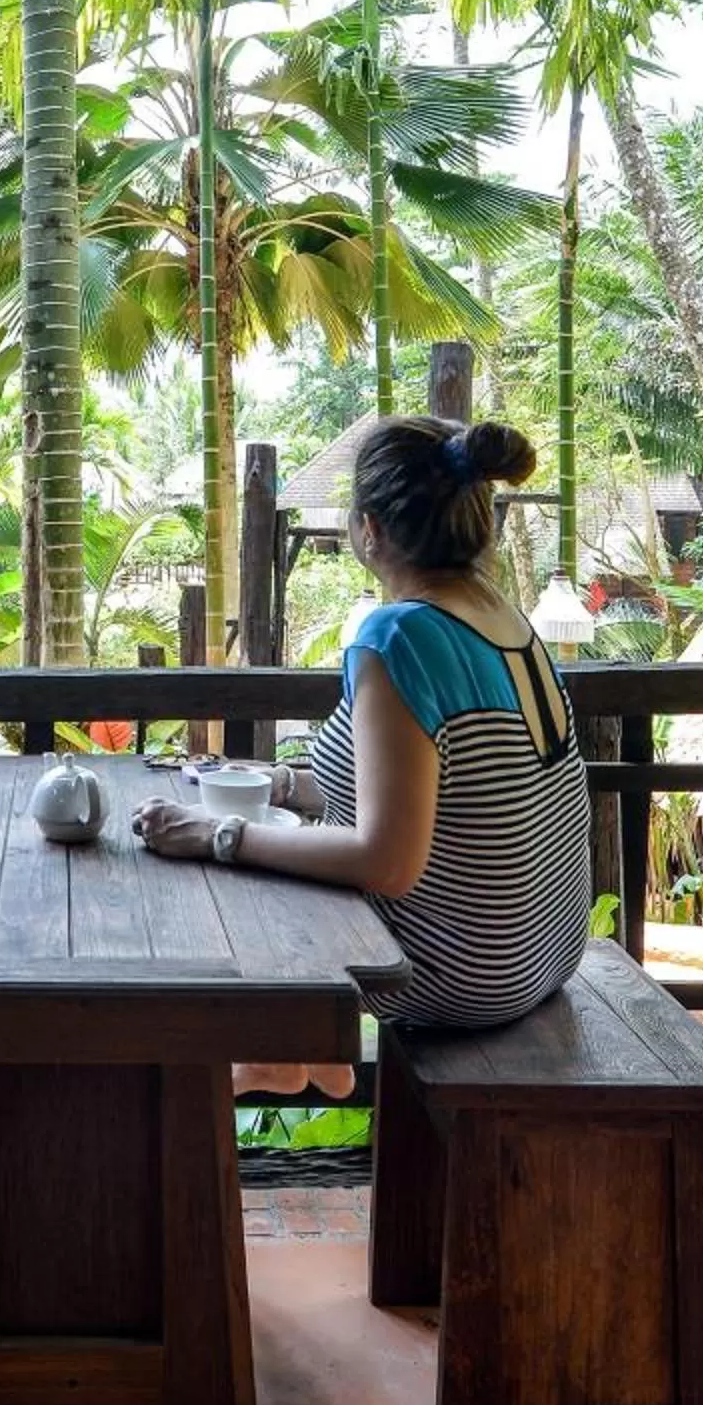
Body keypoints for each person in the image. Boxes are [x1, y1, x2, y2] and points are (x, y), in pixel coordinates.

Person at [132, 416, 592, 1090]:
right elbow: (427, 787)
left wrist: (219, 834)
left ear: (369, 528)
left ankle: (273, 1047)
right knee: (278, 841)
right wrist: (282, 784)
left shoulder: (399, 635)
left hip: (467, 976)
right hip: (545, 951)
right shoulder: (501, 617)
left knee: (241, 874)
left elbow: (386, 861)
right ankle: (300, 1051)